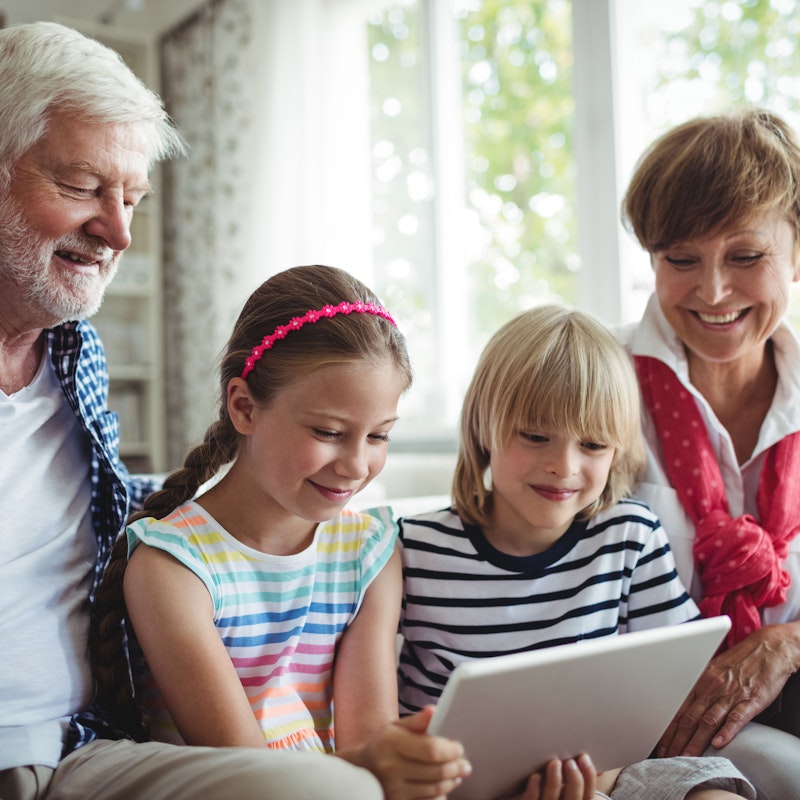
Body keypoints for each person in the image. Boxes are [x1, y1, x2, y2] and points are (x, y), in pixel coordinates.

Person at [0, 21, 388, 800]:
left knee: (331, 792)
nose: (119, 231)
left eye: (131, 198)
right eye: (82, 186)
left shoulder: (76, 358)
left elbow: (122, 512)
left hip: (82, 750)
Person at [90, 264, 473, 800]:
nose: (356, 466)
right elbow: (247, 772)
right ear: (244, 407)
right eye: (329, 432)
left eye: (379, 436)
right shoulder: (172, 567)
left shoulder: (368, 551)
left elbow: (369, 739)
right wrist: (375, 769)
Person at [397, 305, 755, 800]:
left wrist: (610, 771)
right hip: (465, 788)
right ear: (483, 427)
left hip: (612, 772)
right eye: (535, 436)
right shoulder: (416, 550)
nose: (563, 466)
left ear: (617, 450)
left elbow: (672, 678)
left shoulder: (629, 535)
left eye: (592, 444)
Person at [619, 107, 800, 798]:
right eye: (680, 260)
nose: (714, 291)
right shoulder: (593, 383)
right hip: (649, 715)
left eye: (746, 257)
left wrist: (786, 643)